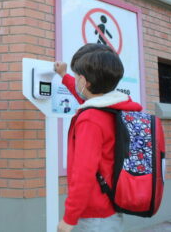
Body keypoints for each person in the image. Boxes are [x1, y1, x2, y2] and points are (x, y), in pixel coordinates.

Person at [54, 44, 142, 232]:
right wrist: (64, 76)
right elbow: (86, 98)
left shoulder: (90, 119)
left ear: (84, 82)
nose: (76, 79)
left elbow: (84, 172)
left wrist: (69, 218)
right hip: (110, 206)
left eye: (77, 76)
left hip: (94, 216)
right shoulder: (113, 108)